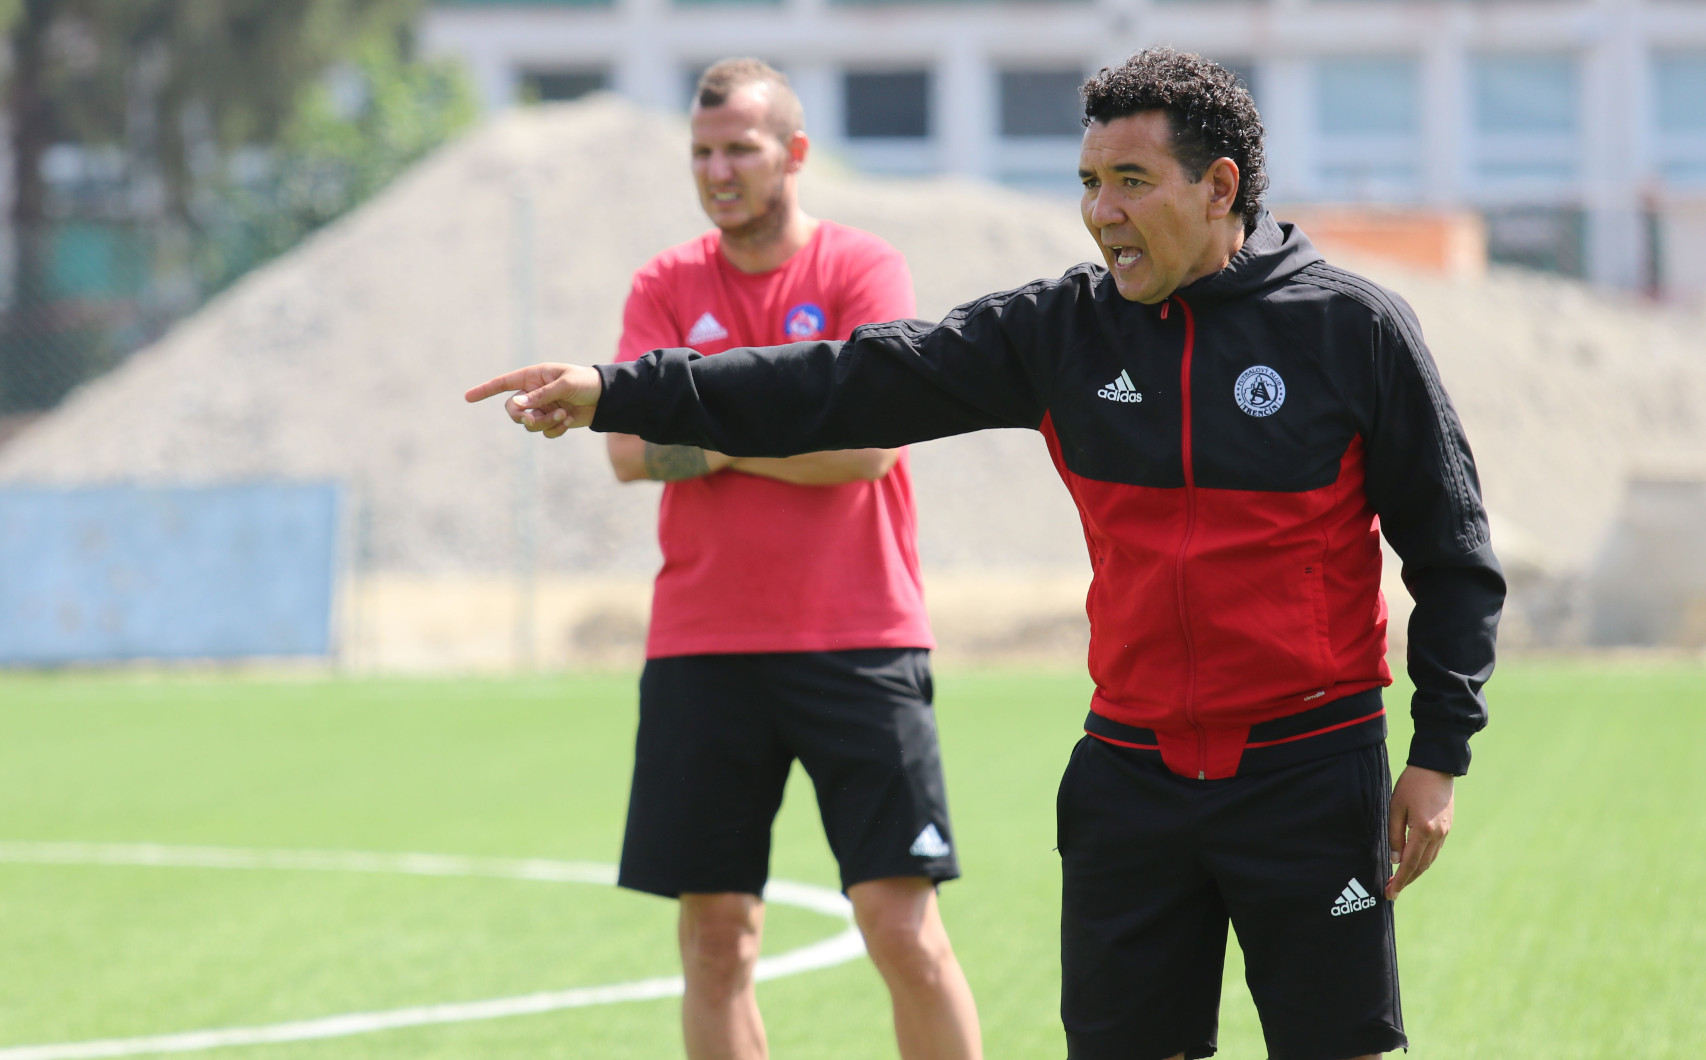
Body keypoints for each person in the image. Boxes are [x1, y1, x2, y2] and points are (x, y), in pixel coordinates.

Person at [470, 48, 1504, 1060]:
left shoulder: (1351, 330)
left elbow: (1451, 552)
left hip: (1308, 769)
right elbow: (847, 380)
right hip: (1129, 774)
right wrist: (619, 389)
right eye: (1089, 182)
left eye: (1131, 181)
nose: (1101, 211)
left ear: (1219, 186)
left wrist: (1438, 754)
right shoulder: (1061, 332)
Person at [587, 58, 980, 1060]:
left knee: (903, 931)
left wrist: (710, 427)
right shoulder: (665, 284)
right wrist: (787, 428)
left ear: (794, 153)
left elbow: (871, 445)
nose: (717, 171)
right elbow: (628, 451)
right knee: (716, 943)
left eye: (739, 149)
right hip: (703, 646)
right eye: (701, 152)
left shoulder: (861, 270)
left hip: (860, 638)